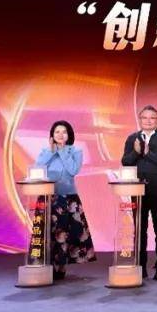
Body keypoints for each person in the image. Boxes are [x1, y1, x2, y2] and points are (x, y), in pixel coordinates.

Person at [35, 120, 96, 281]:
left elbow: (73, 170)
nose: (60, 135)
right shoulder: (45, 151)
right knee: (48, 232)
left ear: (69, 135)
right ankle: (46, 266)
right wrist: (51, 151)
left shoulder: (75, 151)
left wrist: (62, 151)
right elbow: (37, 169)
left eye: (64, 132)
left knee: (64, 233)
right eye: (57, 132)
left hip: (68, 197)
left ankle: (60, 267)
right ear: (52, 135)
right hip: (48, 196)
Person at [121, 105, 157, 280]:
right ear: (140, 119)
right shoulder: (132, 138)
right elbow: (125, 161)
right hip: (137, 189)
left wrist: (147, 153)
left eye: (152, 118)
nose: (148, 121)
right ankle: (140, 265)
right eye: (145, 118)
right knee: (139, 229)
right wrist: (136, 152)